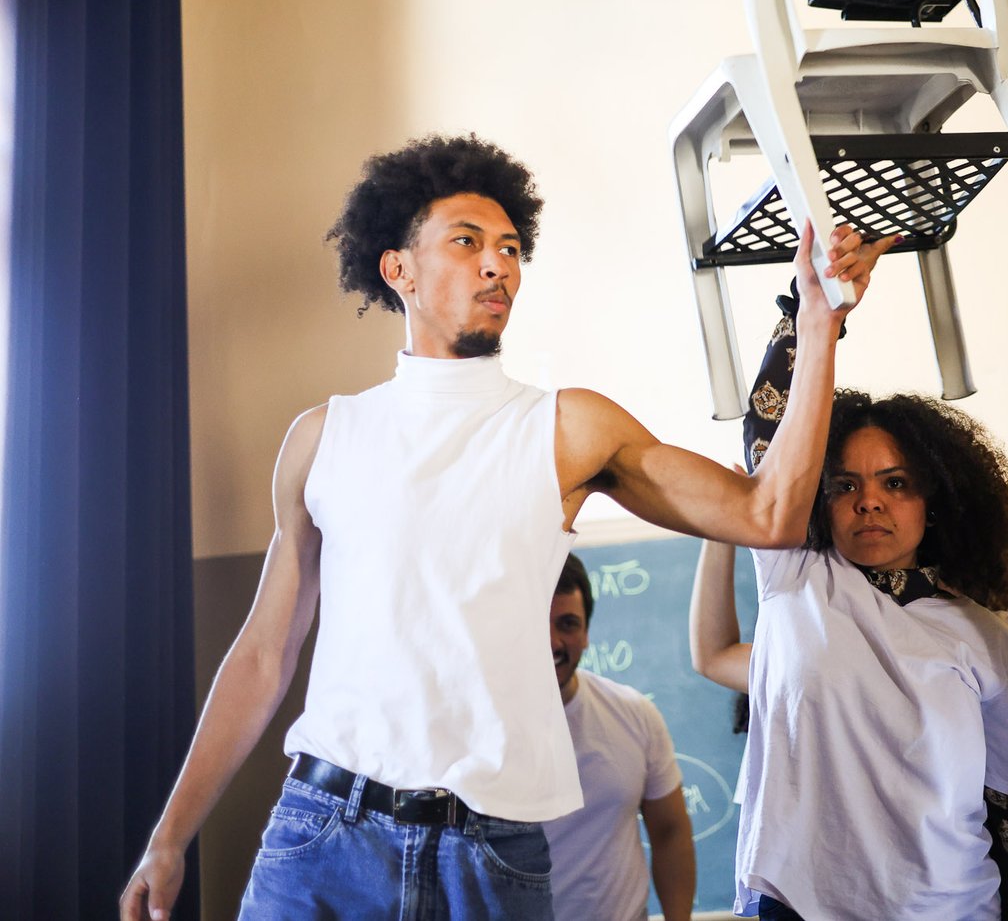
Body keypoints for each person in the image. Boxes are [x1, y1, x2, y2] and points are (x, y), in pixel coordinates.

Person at [118, 134, 883, 921]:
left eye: (511, 248)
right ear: (398, 270)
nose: (499, 266)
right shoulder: (323, 439)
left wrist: (817, 326)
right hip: (325, 833)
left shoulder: (568, 429)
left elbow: (771, 514)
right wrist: (170, 836)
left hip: (487, 856)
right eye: (468, 242)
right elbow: (261, 655)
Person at [713, 273, 1008, 921]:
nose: (869, 500)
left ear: (937, 500)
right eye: (844, 485)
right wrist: (813, 308)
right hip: (801, 903)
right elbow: (768, 426)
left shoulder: (988, 636)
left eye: (896, 482)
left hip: (951, 906)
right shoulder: (796, 576)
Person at [545, 554, 694, 921]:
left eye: (567, 624)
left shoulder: (634, 714)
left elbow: (671, 832)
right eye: (536, 624)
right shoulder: (480, 727)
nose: (552, 642)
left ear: (586, 633)